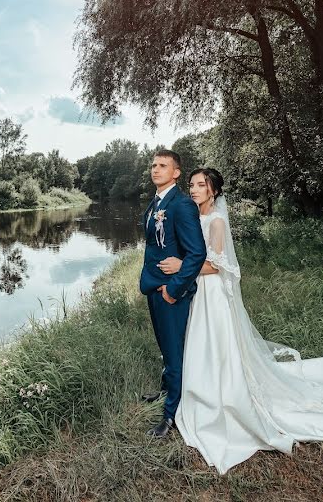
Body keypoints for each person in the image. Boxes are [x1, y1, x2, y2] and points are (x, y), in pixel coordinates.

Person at [158, 168, 323, 473]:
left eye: (200, 186)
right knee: (199, 342)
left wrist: (183, 265)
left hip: (212, 293)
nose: (193, 190)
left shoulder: (216, 221)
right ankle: (199, 391)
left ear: (214, 192)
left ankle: (225, 396)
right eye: (191, 185)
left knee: (217, 343)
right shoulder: (193, 218)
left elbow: (218, 266)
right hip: (196, 290)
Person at [139, 150, 207, 438]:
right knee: (166, 347)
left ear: (176, 172)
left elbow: (197, 253)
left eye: (163, 165)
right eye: (154, 165)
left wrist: (173, 289)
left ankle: (171, 416)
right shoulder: (155, 204)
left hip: (171, 292)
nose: (156, 169)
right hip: (154, 287)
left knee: (175, 353)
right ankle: (167, 389)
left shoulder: (181, 205)